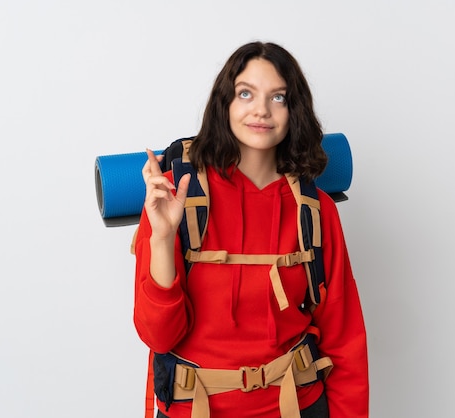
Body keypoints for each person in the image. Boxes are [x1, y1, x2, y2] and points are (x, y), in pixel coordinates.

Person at [133, 41, 368, 418]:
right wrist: (162, 237)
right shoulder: (172, 198)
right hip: (195, 409)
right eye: (246, 93)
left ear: (295, 111)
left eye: (278, 97)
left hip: (297, 405)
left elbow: (345, 341)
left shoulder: (316, 210)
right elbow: (158, 337)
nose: (261, 109)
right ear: (224, 103)